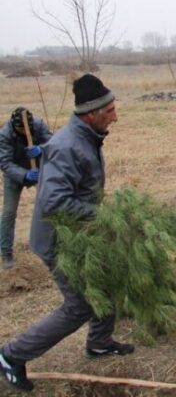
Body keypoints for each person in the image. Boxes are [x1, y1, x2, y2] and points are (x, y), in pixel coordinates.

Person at [0, 74, 133, 393]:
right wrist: (102, 215)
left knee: (107, 280)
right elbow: (55, 201)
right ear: (92, 113)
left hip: (81, 233)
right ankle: (10, 356)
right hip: (59, 241)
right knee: (79, 306)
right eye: (110, 110)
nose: (115, 115)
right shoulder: (68, 146)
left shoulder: (86, 136)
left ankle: (99, 343)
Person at [0, 107, 52, 269]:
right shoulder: (5, 134)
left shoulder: (38, 125)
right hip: (14, 175)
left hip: (39, 171)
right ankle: (6, 252)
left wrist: (41, 150)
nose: (24, 131)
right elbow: (5, 162)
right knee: (9, 212)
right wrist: (25, 175)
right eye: (21, 129)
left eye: (26, 128)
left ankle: (52, 246)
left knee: (51, 205)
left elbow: (54, 144)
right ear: (14, 126)